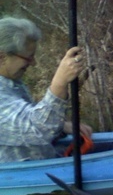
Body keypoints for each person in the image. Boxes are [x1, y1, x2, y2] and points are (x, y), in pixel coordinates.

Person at [0, 17, 92, 162]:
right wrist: (59, 83)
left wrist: (60, 127)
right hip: (24, 180)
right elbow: (37, 130)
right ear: (2, 57)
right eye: (29, 58)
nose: (33, 63)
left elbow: (20, 125)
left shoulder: (11, 82)